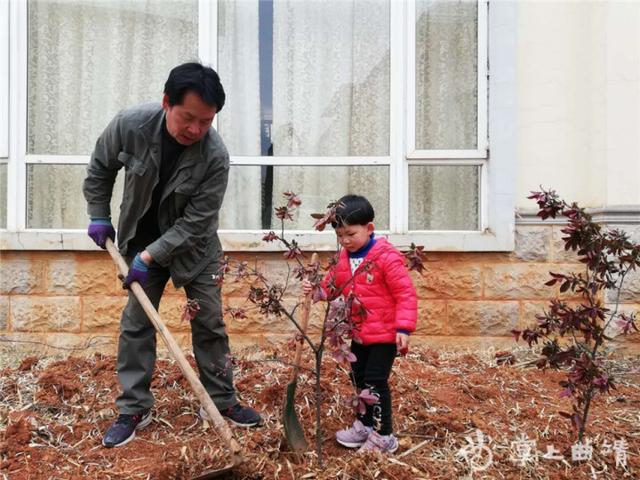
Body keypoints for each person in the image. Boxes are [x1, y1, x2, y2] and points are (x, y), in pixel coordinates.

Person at [83, 62, 262, 449]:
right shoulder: (130, 125)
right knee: (136, 325)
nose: (196, 130)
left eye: (207, 121)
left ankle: (220, 399)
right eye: (188, 118)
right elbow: (100, 168)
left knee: (210, 322)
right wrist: (99, 213)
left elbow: (197, 222)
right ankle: (133, 407)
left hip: (194, 250)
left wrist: (150, 258)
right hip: (137, 242)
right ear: (167, 102)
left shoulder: (215, 155)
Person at [303, 195, 417, 454]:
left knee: (376, 381)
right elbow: (332, 286)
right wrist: (315, 290)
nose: (345, 240)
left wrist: (404, 328)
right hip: (360, 333)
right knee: (359, 378)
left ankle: (384, 434)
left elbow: (405, 294)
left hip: (385, 335)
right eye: (340, 235)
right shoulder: (345, 258)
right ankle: (365, 426)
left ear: (370, 228)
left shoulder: (387, 257)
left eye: (351, 234)